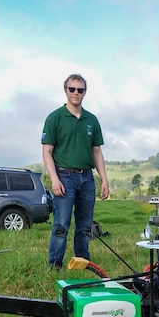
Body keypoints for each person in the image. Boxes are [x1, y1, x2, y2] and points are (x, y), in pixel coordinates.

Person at [42, 73, 110, 270]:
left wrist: (104, 180)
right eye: (72, 89)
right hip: (64, 177)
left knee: (84, 226)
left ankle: (82, 263)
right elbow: (47, 151)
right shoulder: (55, 118)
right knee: (61, 224)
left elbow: (96, 151)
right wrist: (54, 179)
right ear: (65, 90)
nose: (76, 93)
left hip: (87, 178)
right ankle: (55, 265)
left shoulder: (92, 120)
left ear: (85, 92)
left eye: (80, 90)